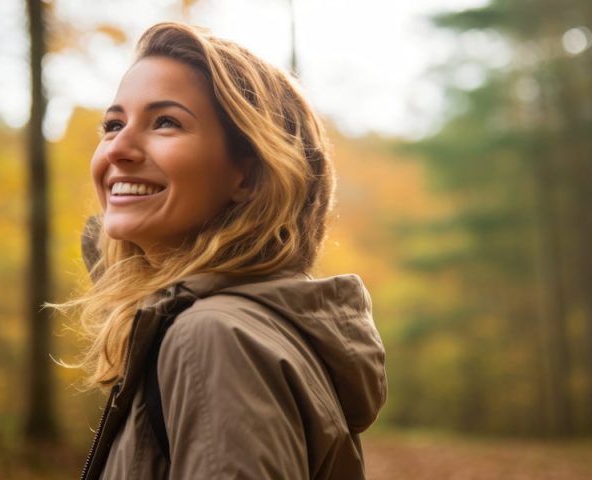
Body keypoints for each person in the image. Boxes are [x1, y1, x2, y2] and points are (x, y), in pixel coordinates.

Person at [68, 22, 387, 480]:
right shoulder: (220, 327)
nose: (118, 148)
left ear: (248, 173)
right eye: (113, 124)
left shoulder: (212, 337)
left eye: (166, 122)